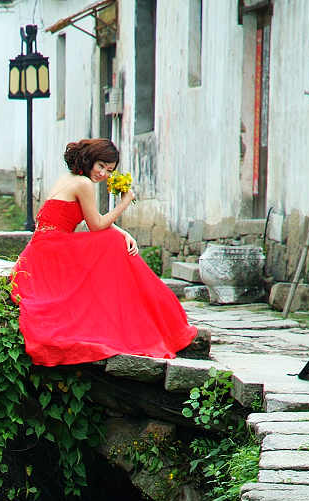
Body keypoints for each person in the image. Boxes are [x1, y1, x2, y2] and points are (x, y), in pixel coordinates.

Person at [11, 138, 197, 366]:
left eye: (109, 170)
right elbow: (96, 225)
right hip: (53, 252)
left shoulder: (69, 178)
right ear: (89, 160)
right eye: (101, 166)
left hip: (41, 249)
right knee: (110, 243)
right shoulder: (83, 184)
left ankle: (133, 308)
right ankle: (143, 314)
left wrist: (121, 232)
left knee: (113, 239)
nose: (104, 174)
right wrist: (124, 203)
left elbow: (92, 218)